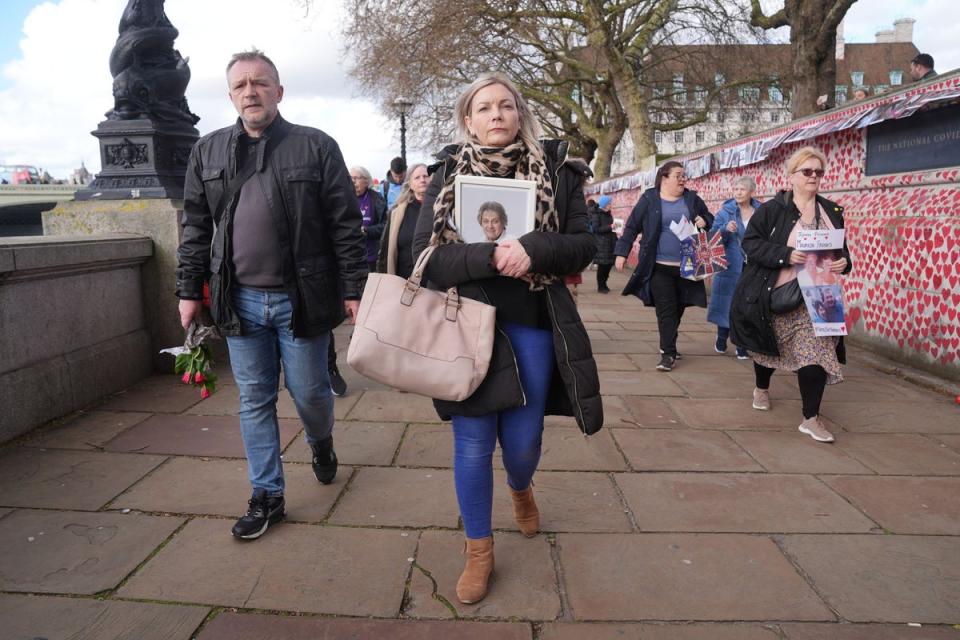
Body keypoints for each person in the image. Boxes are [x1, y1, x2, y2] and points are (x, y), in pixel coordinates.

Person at [411, 72, 601, 605]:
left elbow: (587, 243)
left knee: (523, 444)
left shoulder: (560, 172)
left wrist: (534, 250)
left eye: (505, 106)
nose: (495, 115)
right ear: (467, 120)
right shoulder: (448, 172)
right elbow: (422, 258)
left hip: (534, 325)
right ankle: (479, 551)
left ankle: (521, 487)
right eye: (483, 108)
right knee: (472, 444)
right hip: (465, 328)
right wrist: (490, 254)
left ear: (519, 114)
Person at [176, 49, 367, 540]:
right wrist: (187, 291)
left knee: (310, 394)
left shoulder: (316, 146)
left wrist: (354, 289)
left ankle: (320, 441)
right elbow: (195, 226)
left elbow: (345, 225)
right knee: (254, 400)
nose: (250, 91)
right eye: (241, 84)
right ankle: (268, 495)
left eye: (260, 82)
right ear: (230, 95)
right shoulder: (209, 150)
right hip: (238, 302)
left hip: (301, 299)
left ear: (279, 92)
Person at [729, 146, 852, 443]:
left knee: (817, 353)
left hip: (820, 296)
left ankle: (810, 418)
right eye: (807, 171)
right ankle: (761, 387)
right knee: (767, 349)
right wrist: (786, 254)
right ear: (792, 175)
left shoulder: (831, 210)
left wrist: (844, 262)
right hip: (776, 292)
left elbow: (840, 250)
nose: (814, 177)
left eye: (818, 172)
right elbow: (751, 244)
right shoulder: (773, 209)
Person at [614, 161, 714, 371]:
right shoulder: (649, 199)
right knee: (666, 309)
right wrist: (621, 253)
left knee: (678, 308)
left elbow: (708, 218)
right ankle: (667, 353)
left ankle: (670, 343)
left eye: (684, 175)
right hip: (658, 265)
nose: (682, 179)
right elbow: (632, 226)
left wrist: (704, 220)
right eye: (678, 175)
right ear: (664, 178)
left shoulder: (692, 198)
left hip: (687, 266)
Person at [708, 177, 760, 359]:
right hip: (730, 265)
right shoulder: (725, 212)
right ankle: (722, 337)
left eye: (742, 189)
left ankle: (741, 345)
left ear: (751, 191)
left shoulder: (761, 212)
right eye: (736, 188)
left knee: (746, 306)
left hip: (753, 266)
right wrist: (724, 229)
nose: (738, 192)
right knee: (726, 304)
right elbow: (712, 236)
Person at [376, 163, 429, 278]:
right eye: (417, 177)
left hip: (434, 283)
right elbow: (386, 249)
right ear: (410, 183)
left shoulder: (441, 210)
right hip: (404, 281)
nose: (422, 180)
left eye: (426, 176)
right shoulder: (398, 213)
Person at [590, 194, 617, 293]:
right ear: (605, 204)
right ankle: (600, 286)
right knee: (602, 266)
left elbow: (610, 227)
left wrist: (615, 228)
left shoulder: (609, 214)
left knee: (609, 265)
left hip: (610, 243)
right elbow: (596, 229)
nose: (611, 205)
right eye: (609, 203)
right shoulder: (597, 214)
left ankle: (604, 283)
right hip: (601, 244)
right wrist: (610, 227)